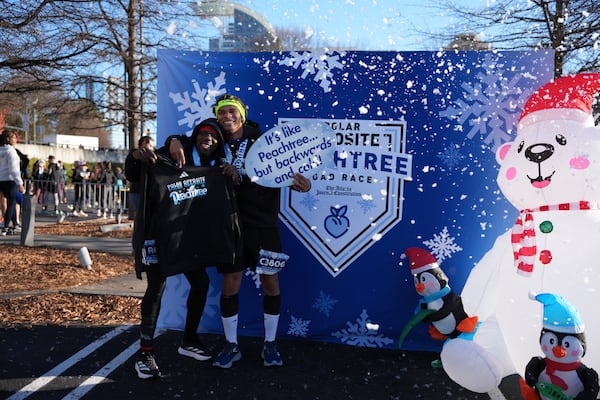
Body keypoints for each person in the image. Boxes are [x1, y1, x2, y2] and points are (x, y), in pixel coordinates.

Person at [167, 94, 312, 368]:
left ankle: (270, 344)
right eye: (222, 113)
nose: (227, 117)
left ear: (242, 115)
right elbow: (190, 141)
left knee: (270, 284)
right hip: (229, 226)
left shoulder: (265, 141)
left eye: (232, 112)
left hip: (263, 224)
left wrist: (302, 185)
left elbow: (289, 172)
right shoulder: (215, 141)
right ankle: (232, 345)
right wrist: (172, 140)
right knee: (230, 285)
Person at [128, 118, 240, 380]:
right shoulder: (172, 154)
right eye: (204, 133)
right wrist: (138, 153)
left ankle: (188, 341)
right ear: (194, 136)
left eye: (215, 137)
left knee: (200, 284)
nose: (209, 139)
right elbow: (134, 170)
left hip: (186, 239)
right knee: (157, 287)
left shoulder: (216, 168)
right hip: (157, 234)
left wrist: (232, 177)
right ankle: (145, 353)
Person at [0, 129, 25, 235]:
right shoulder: (11, 151)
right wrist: (20, 183)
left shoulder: (0, 150)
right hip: (10, 180)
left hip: (1, 179)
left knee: (11, 201)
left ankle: (15, 224)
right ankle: (6, 227)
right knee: (12, 203)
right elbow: (14, 169)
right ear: (8, 139)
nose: (16, 140)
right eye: (14, 138)